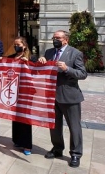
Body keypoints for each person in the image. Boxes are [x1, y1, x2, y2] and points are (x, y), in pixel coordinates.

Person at [38, 30, 87, 168]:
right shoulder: (48, 52)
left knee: (74, 127)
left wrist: (67, 69)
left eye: (57, 38)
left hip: (70, 96)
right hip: (51, 96)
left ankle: (76, 154)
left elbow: (82, 74)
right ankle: (57, 148)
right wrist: (41, 61)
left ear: (66, 40)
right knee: (54, 126)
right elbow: (43, 71)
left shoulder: (75, 53)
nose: (55, 40)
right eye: (53, 37)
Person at [7, 36, 35, 155]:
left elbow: (37, 71)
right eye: (14, 44)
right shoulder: (11, 57)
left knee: (25, 118)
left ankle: (27, 145)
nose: (16, 46)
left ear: (24, 45)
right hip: (14, 90)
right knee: (16, 116)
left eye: (18, 44)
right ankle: (17, 140)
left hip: (27, 91)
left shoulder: (31, 57)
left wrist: (27, 63)